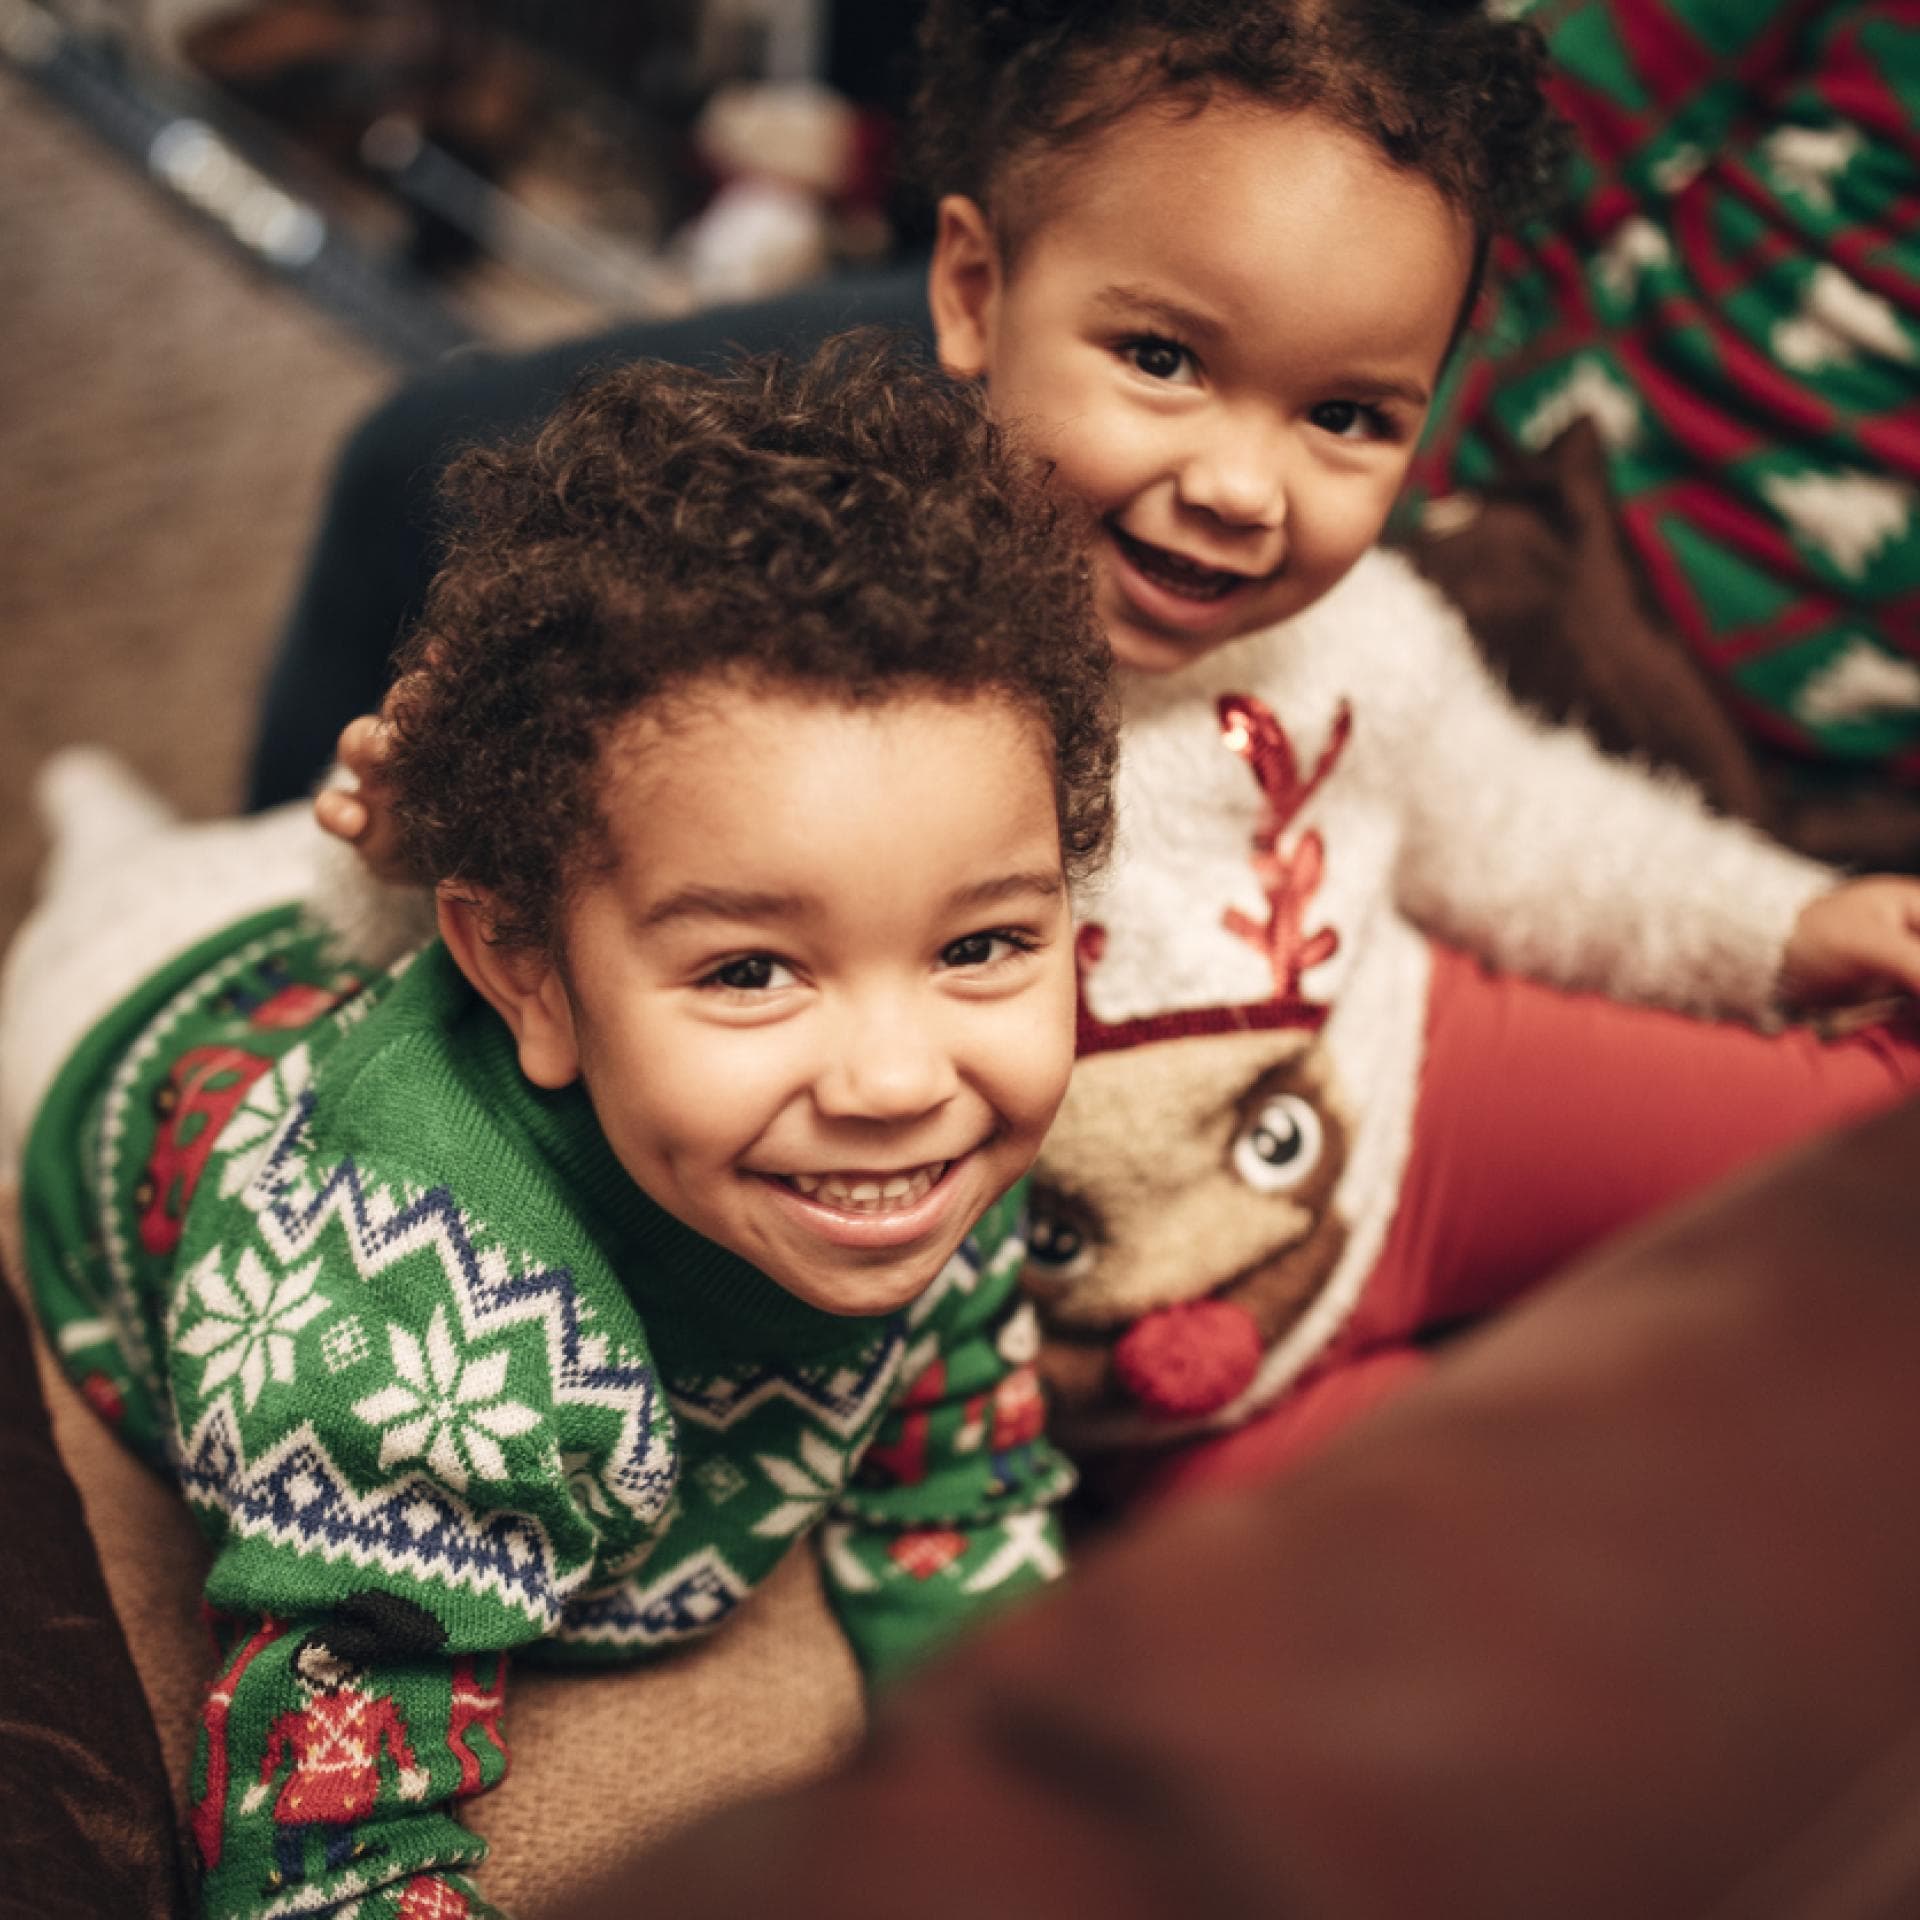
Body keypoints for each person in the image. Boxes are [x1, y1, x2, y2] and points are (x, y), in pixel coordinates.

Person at [314, 0, 1920, 1500]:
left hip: (1400, 1109)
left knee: (1874, 1105)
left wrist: (1783, 926)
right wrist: (405, 849)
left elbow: (1529, 829)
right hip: (1088, 1345)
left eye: (1349, 416)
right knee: (1374, 1603)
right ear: (972, 293)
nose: (1243, 485)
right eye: (1163, 361)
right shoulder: (803, 655)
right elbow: (558, 959)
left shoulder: (1364, 639)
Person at [6, 334, 1114, 1919]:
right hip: (133, 1006)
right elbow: (326, 1848)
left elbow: (954, 1495)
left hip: (422, 954)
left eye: (982, 944)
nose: (898, 1074)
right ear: (525, 975)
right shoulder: (407, 1312)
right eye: (750, 968)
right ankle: (96, 826)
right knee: (119, 880)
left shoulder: (938, 1145)